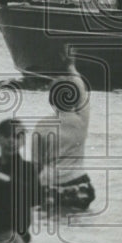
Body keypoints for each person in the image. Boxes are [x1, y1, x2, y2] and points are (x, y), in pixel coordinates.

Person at [34, 48, 95, 211]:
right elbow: (82, 92)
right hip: (78, 182)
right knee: (77, 224)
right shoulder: (81, 121)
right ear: (74, 100)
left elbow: (36, 163)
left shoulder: (41, 126)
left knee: (51, 222)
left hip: (50, 183)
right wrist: (71, 67)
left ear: (51, 101)